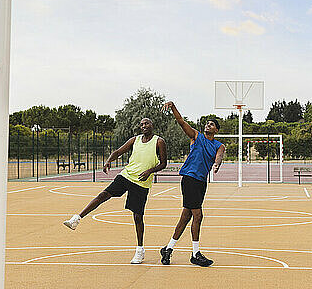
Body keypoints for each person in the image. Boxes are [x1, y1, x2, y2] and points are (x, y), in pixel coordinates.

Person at [63, 118, 167, 264]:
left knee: (137, 216)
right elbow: (118, 151)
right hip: (127, 175)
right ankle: (76, 219)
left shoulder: (159, 142)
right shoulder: (134, 140)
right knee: (103, 195)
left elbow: (163, 163)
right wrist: (108, 161)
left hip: (141, 182)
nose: (144, 126)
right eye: (142, 124)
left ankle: (140, 250)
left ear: (152, 125)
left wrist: (150, 171)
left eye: (147, 123)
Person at [159, 101, 225, 267]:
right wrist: (173, 107)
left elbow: (219, 156)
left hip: (201, 182)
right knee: (198, 215)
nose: (208, 125)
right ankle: (195, 254)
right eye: (207, 123)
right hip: (189, 179)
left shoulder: (219, 145)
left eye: (211, 124)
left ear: (216, 130)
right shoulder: (196, 136)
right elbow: (181, 121)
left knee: (186, 217)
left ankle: (168, 249)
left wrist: (217, 164)